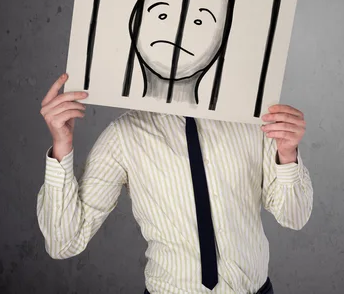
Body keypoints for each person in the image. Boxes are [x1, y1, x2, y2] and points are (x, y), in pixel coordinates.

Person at [37, 72, 313, 294]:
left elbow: (295, 216)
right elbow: (64, 242)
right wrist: (62, 145)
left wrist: (287, 153)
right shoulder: (124, 136)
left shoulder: (255, 121)